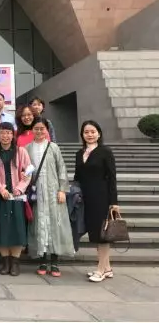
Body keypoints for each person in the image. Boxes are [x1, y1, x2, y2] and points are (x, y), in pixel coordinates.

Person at [25, 117, 74, 277]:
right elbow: (25, 170)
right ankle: (42, 260)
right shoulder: (27, 148)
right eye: (36, 128)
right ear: (32, 130)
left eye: (42, 128)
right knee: (39, 224)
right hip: (37, 192)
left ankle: (54, 261)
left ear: (47, 130)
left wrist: (62, 190)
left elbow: (62, 169)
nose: (39, 131)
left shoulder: (53, 147)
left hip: (53, 191)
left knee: (55, 223)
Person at [74, 120, 119, 283]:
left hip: (102, 198)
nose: (90, 135)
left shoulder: (105, 152)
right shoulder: (79, 153)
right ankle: (107, 268)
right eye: (86, 132)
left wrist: (114, 202)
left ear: (99, 134)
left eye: (93, 132)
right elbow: (77, 176)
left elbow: (112, 177)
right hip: (86, 198)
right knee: (95, 233)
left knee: (102, 235)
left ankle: (100, 270)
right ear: (82, 135)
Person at [0, 122, 31, 277]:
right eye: (2, 132)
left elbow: (28, 172)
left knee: (17, 228)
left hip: (17, 196)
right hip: (0, 196)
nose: (5, 136)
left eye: (8, 133)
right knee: (2, 229)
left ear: (13, 135)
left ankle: (15, 262)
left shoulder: (21, 151)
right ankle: (5, 262)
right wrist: (1, 189)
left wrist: (20, 188)